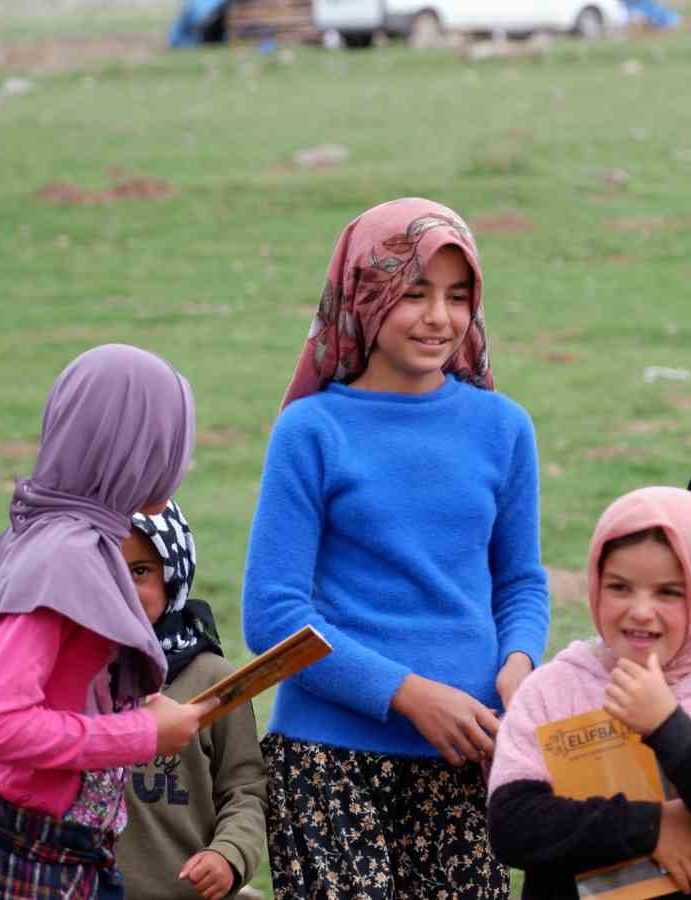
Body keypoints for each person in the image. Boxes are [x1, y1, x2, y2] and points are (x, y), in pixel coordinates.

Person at [243, 198, 549, 899]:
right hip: (329, 760)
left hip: (466, 754)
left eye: (458, 296)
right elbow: (272, 615)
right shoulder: (312, 432)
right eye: (414, 293)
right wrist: (409, 696)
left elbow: (521, 582)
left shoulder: (503, 427)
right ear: (366, 294)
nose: (439, 318)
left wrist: (518, 664)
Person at [0, 344, 212, 899]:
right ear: (130, 447)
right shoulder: (61, 556)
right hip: (22, 866)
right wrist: (141, 733)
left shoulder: (83, 540)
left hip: (71, 858)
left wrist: (133, 708)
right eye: (167, 440)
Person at [487, 486, 691, 898]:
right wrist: (651, 827)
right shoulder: (551, 690)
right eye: (619, 587)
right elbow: (513, 827)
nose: (640, 610)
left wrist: (670, 728)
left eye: (669, 591)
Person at [115, 501, 267, 900]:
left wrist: (229, 855)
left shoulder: (213, 678)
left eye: (141, 571)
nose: (122, 588)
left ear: (173, 574)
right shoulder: (70, 675)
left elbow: (245, 788)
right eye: (106, 568)